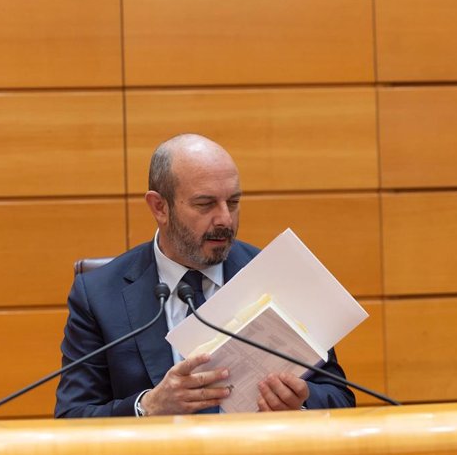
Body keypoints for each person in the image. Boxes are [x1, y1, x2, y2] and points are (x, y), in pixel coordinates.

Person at [55, 133, 355, 417]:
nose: (225, 219)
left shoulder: (281, 275)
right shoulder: (98, 295)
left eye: (233, 202)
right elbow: (73, 418)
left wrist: (299, 404)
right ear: (160, 207)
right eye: (205, 204)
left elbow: (341, 399)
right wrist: (147, 407)